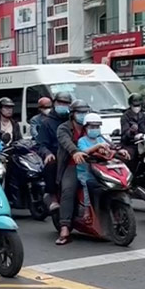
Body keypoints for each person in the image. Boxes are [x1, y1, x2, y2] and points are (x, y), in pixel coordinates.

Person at [53, 99, 91, 245]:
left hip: (90, 165)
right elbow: (66, 142)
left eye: (85, 112)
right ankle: (65, 227)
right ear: (73, 114)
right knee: (68, 190)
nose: (83, 115)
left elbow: (102, 139)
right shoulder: (63, 128)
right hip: (71, 165)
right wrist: (75, 152)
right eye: (80, 112)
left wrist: (116, 149)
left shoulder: (90, 127)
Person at [36, 91, 73, 212]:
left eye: (66, 103)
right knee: (51, 164)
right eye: (60, 102)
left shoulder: (73, 121)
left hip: (74, 154)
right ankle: (51, 195)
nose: (63, 105)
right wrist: (47, 153)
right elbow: (41, 144)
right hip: (55, 154)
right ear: (55, 103)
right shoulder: (46, 123)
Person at [76, 113, 111, 222]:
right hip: (85, 171)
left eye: (97, 127)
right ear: (85, 128)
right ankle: (87, 211)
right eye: (92, 127)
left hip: (100, 170)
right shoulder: (82, 140)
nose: (95, 129)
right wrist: (97, 147)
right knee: (88, 186)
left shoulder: (101, 139)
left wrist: (106, 150)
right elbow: (85, 151)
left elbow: (108, 149)